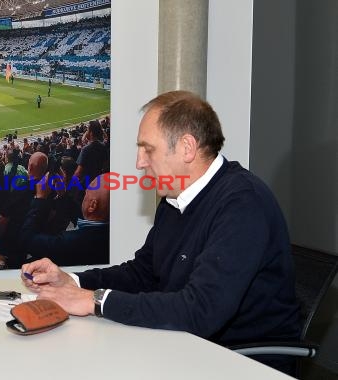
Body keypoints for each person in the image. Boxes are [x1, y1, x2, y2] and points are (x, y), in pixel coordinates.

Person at [21, 91, 300, 375]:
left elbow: (200, 310)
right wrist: (72, 280)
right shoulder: (172, 200)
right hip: (185, 347)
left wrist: (93, 300)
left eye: (148, 149)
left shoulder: (243, 204)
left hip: (242, 363)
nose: (139, 162)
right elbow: (142, 273)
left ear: (187, 148)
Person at [19, 174, 109, 266]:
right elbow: (81, 215)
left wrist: (40, 198)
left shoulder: (72, 243)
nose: (85, 190)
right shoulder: (106, 230)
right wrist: (62, 194)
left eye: (88, 191)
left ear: (92, 205)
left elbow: (28, 240)